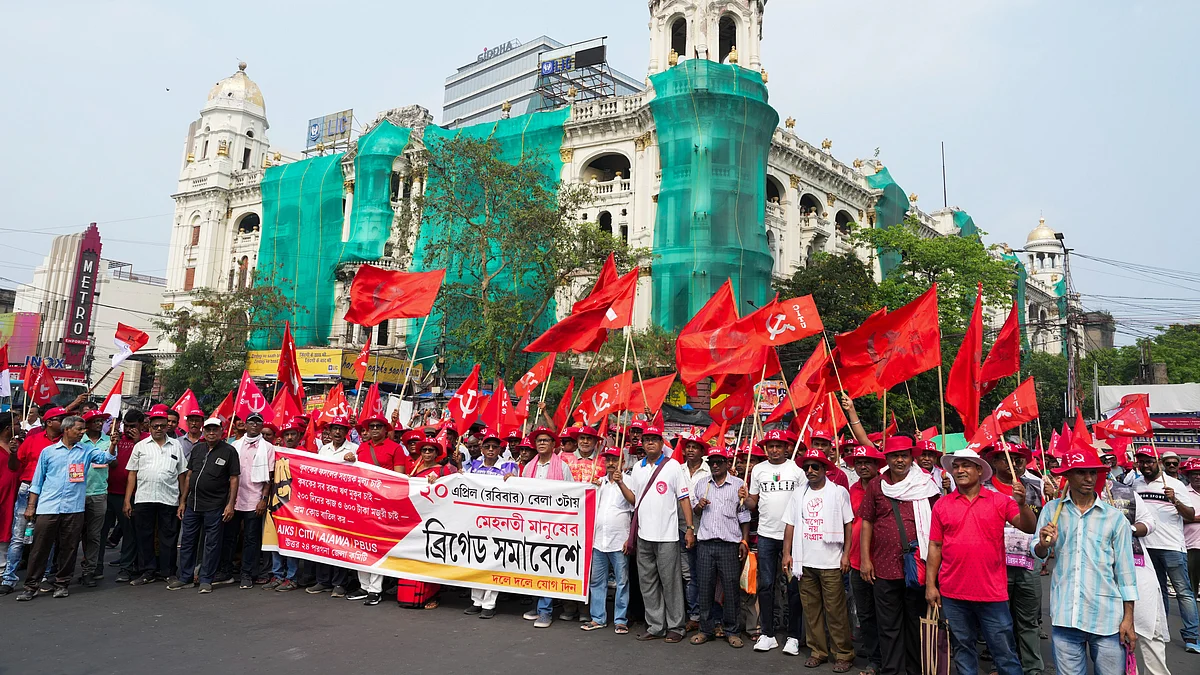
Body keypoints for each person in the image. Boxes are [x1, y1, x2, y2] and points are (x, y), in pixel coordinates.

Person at [926, 449, 1036, 675]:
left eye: (966, 465)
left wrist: (1023, 504)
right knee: (963, 650)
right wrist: (930, 585)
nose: (959, 470)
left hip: (992, 593)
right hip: (953, 593)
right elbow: (935, 546)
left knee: (1004, 652)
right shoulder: (942, 505)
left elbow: (1029, 527)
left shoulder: (1000, 501)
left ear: (979, 470)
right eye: (956, 466)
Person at [1034, 448, 1138, 675]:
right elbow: (1037, 553)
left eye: (1093, 472)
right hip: (1065, 617)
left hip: (1107, 620)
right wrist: (1044, 544)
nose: (1089, 478)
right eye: (1081, 472)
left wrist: (1129, 618)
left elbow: (1126, 572)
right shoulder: (1052, 512)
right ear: (1068, 476)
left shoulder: (1115, 519)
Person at [857, 436, 940, 675]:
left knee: (915, 624)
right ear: (887, 459)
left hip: (917, 566)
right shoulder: (877, 484)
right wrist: (865, 559)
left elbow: (938, 524)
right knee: (888, 626)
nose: (899, 460)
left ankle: (915, 670)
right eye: (894, 456)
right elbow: (867, 523)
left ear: (911, 457)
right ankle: (892, 670)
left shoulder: (926, 485)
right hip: (883, 566)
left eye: (904, 455)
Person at [14, 415, 117, 600]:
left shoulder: (86, 450)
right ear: (67, 429)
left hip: (74, 507)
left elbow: (106, 458)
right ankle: (31, 586)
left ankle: (62, 583)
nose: (82, 432)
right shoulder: (48, 452)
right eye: (79, 429)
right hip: (48, 507)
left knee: (69, 548)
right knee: (40, 548)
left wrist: (113, 444)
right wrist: (31, 506)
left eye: (83, 429)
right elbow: (37, 482)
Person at [611, 424, 694, 643]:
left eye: (654, 439)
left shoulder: (673, 466)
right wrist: (620, 483)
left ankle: (676, 626)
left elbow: (684, 499)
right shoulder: (637, 467)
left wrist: (690, 529)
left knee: (671, 582)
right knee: (647, 583)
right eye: (646, 439)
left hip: (667, 536)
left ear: (661, 443)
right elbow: (635, 501)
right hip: (643, 535)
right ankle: (656, 625)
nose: (649, 442)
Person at [783, 448, 856, 670]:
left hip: (832, 562)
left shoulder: (838, 492)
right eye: (807, 467)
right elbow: (790, 524)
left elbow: (848, 524)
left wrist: (846, 554)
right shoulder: (798, 493)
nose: (811, 471)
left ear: (825, 469)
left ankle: (843, 653)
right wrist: (787, 553)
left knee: (836, 611)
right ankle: (818, 651)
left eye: (815, 466)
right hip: (805, 562)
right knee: (811, 610)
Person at [1104, 459, 1173, 675]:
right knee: (1111, 638)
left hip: (1137, 569)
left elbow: (1149, 523)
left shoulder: (1124, 492)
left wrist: (1129, 529)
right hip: (1104, 576)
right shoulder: (1074, 499)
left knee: (1150, 630)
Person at [1129, 446, 1199, 651]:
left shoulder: (1176, 485)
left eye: (1149, 461)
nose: (1145, 465)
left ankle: (1192, 637)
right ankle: (1161, 631)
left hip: (1171, 547)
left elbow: (1189, 515)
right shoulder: (1135, 484)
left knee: (1184, 592)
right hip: (1146, 547)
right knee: (1157, 592)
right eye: (1141, 462)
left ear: (1157, 462)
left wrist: (1174, 500)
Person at [985, 442, 1047, 675]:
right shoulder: (984, 488)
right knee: (1000, 620)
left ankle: (1032, 667)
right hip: (994, 563)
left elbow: (1042, 521)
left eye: (1020, 457)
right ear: (994, 462)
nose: (1015, 461)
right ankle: (1001, 664)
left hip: (1028, 562)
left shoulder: (1036, 485)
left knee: (1029, 620)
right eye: (1007, 457)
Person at [744, 428, 805, 653]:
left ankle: (793, 636)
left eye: (779, 446)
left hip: (792, 537)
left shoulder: (797, 470)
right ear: (765, 449)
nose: (774, 450)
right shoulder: (758, 470)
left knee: (793, 587)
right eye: (770, 446)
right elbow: (753, 504)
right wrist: (745, 498)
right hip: (766, 535)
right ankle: (768, 634)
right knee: (766, 585)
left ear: (787, 448)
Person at [684, 444, 750, 648]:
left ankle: (731, 630)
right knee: (705, 587)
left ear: (727, 464)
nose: (715, 465)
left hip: (729, 544)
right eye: (711, 463)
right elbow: (695, 512)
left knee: (730, 589)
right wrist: (699, 506)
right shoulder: (703, 484)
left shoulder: (738, 484)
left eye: (719, 462)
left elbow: (744, 515)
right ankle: (706, 629)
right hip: (705, 544)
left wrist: (744, 540)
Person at [169, 418, 239, 593]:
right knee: (187, 541)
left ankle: (206, 579)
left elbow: (234, 479)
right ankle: (185, 577)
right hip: (193, 504)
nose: (211, 433)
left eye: (215, 430)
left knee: (212, 543)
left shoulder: (229, 451)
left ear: (221, 431)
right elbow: (189, 475)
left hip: (215, 505)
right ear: (204, 431)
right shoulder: (198, 449)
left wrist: (230, 504)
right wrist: (183, 501)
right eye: (208, 430)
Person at [1, 406, 67, 594]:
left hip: (51, 492)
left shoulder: (66, 443)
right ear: (48, 422)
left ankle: (44, 576)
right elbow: (14, 467)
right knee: (18, 536)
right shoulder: (31, 440)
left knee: (48, 537)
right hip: (28, 489)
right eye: (60, 419)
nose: (63, 422)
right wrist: (14, 452)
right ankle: (9, 577)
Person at [124, 404, 188, 586]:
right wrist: (128, 500)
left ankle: (168, 572)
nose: (159, 429)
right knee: (144, 536)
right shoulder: (140, 446)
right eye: (155, 426)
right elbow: (132, 474)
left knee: (169, 536)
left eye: (162, 425)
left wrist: (183, 501)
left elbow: (182, 474)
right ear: (149, 426)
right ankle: (147, 571)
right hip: (144, 498)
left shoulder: (176, 445)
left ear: (167, 426)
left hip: (169, 499)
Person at [518, 426, 575, 627]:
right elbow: (521, 493)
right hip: (531, 524)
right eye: (539, 440)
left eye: (546, 440)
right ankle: (536, 604)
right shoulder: (528, 468)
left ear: (553, 445)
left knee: (548, 566)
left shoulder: (563, 467)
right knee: (532, 565)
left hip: (553, 525)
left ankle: (545, 611)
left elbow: (571, 495)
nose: (541, 443)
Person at [460, 428, 518, 618]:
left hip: (498, 522)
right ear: (481, 448)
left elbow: (517, 489)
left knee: (493, 561)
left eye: (495, 446)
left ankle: (489, 603)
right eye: (487, 446)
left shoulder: (508, 466)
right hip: (475, 520)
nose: (491, 449)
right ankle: (476, 600)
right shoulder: (474, 465)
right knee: (475, 560)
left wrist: (514, 481)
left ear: (500, 448)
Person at [222, 412, 274, 589]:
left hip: (254, 499)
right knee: (230, 537)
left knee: (251, 539)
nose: (254, 425)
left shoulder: (267, 448)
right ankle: (226, 572)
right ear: (245, 424)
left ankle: (247, 574)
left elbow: (269, 476)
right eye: (251, 422)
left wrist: (263, 499)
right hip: (234, 500)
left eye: (258, 423)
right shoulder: (234, 446)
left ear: (261, 425)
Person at [583, 446, 633, 634]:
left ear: (623, 462)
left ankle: (620, 619)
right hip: (599, 541)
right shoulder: (599, 483)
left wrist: (620, 483)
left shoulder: (629, 480)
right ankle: (598, 618)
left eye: (615, 459)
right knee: (597, 581)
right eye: (608, 460)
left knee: (622, 581)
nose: (611, 463)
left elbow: (634, 502)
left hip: (619, 540)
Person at [308, 417, 358, 597]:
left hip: (344, 504)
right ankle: (323, 581)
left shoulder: (354, 450)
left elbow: (361, 475)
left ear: (346, 432)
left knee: (341, 543)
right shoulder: (323, 450)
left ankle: (340, 583)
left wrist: (354, 461)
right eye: (334, 429)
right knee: (323, 541)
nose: (337, 432)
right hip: (324, 503)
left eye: (341, 429)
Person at [846, 444, 885, 675]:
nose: (862, 466)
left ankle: (891, 658)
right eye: (858, 463)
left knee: (886, 615)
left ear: (877, 465)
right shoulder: (851, 490)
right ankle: (874, 659)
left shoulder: (885, 487)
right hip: (856, 561)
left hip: (882, 562)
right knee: (866, 614)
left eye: (867, 462)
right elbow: (848, 524)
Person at [103, 410, 142, 583]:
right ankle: (94, 567)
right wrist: (114, 443)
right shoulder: (115, 438)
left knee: (129, 533)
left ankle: (126, 568)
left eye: (133, 426)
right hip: (108, 491)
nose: (128, 429)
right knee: (100, 532)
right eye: (126, 425)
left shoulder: (145, 440)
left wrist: (137, 441)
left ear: (142, 425)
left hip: (131, 495)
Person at [678, 431, 711, 630]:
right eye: (688, 446)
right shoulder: (677, 470)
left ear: (701, 451)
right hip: (681, 527)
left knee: (706, 575)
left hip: (705, 529)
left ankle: (708, 616)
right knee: (688, 575)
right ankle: (694, 614)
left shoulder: (709, 471)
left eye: (695, 447)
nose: (690, 450)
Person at [267, 419, 304, 591]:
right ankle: (277, 574)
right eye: (286, 434)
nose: (289, 437)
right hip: (276, 502)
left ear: (299, 436)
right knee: (275, 539)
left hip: (295, 506)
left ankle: (291, 577)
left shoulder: (305, 454)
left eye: (292, 434)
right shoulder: (275, 452)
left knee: (291, 540)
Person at [78, 410, 112, 587]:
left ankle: (89, 570)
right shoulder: (78, 441)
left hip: (99, 493)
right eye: (96, 421)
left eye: (101, 421)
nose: (99, 424)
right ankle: (62, 572)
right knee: (71, 535)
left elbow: (114, 462)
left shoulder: (109, 440)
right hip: (77, 493)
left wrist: (113, 446)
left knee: (94, 535)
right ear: (87, 424)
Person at [1185, 459, 1200, 599]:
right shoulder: (1183, 493)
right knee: (1191, 589)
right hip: (1191, 547)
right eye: (1194, 473)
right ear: (1188, 476)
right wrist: (1196, 519)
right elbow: (1176, 517)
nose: (1198, 476)